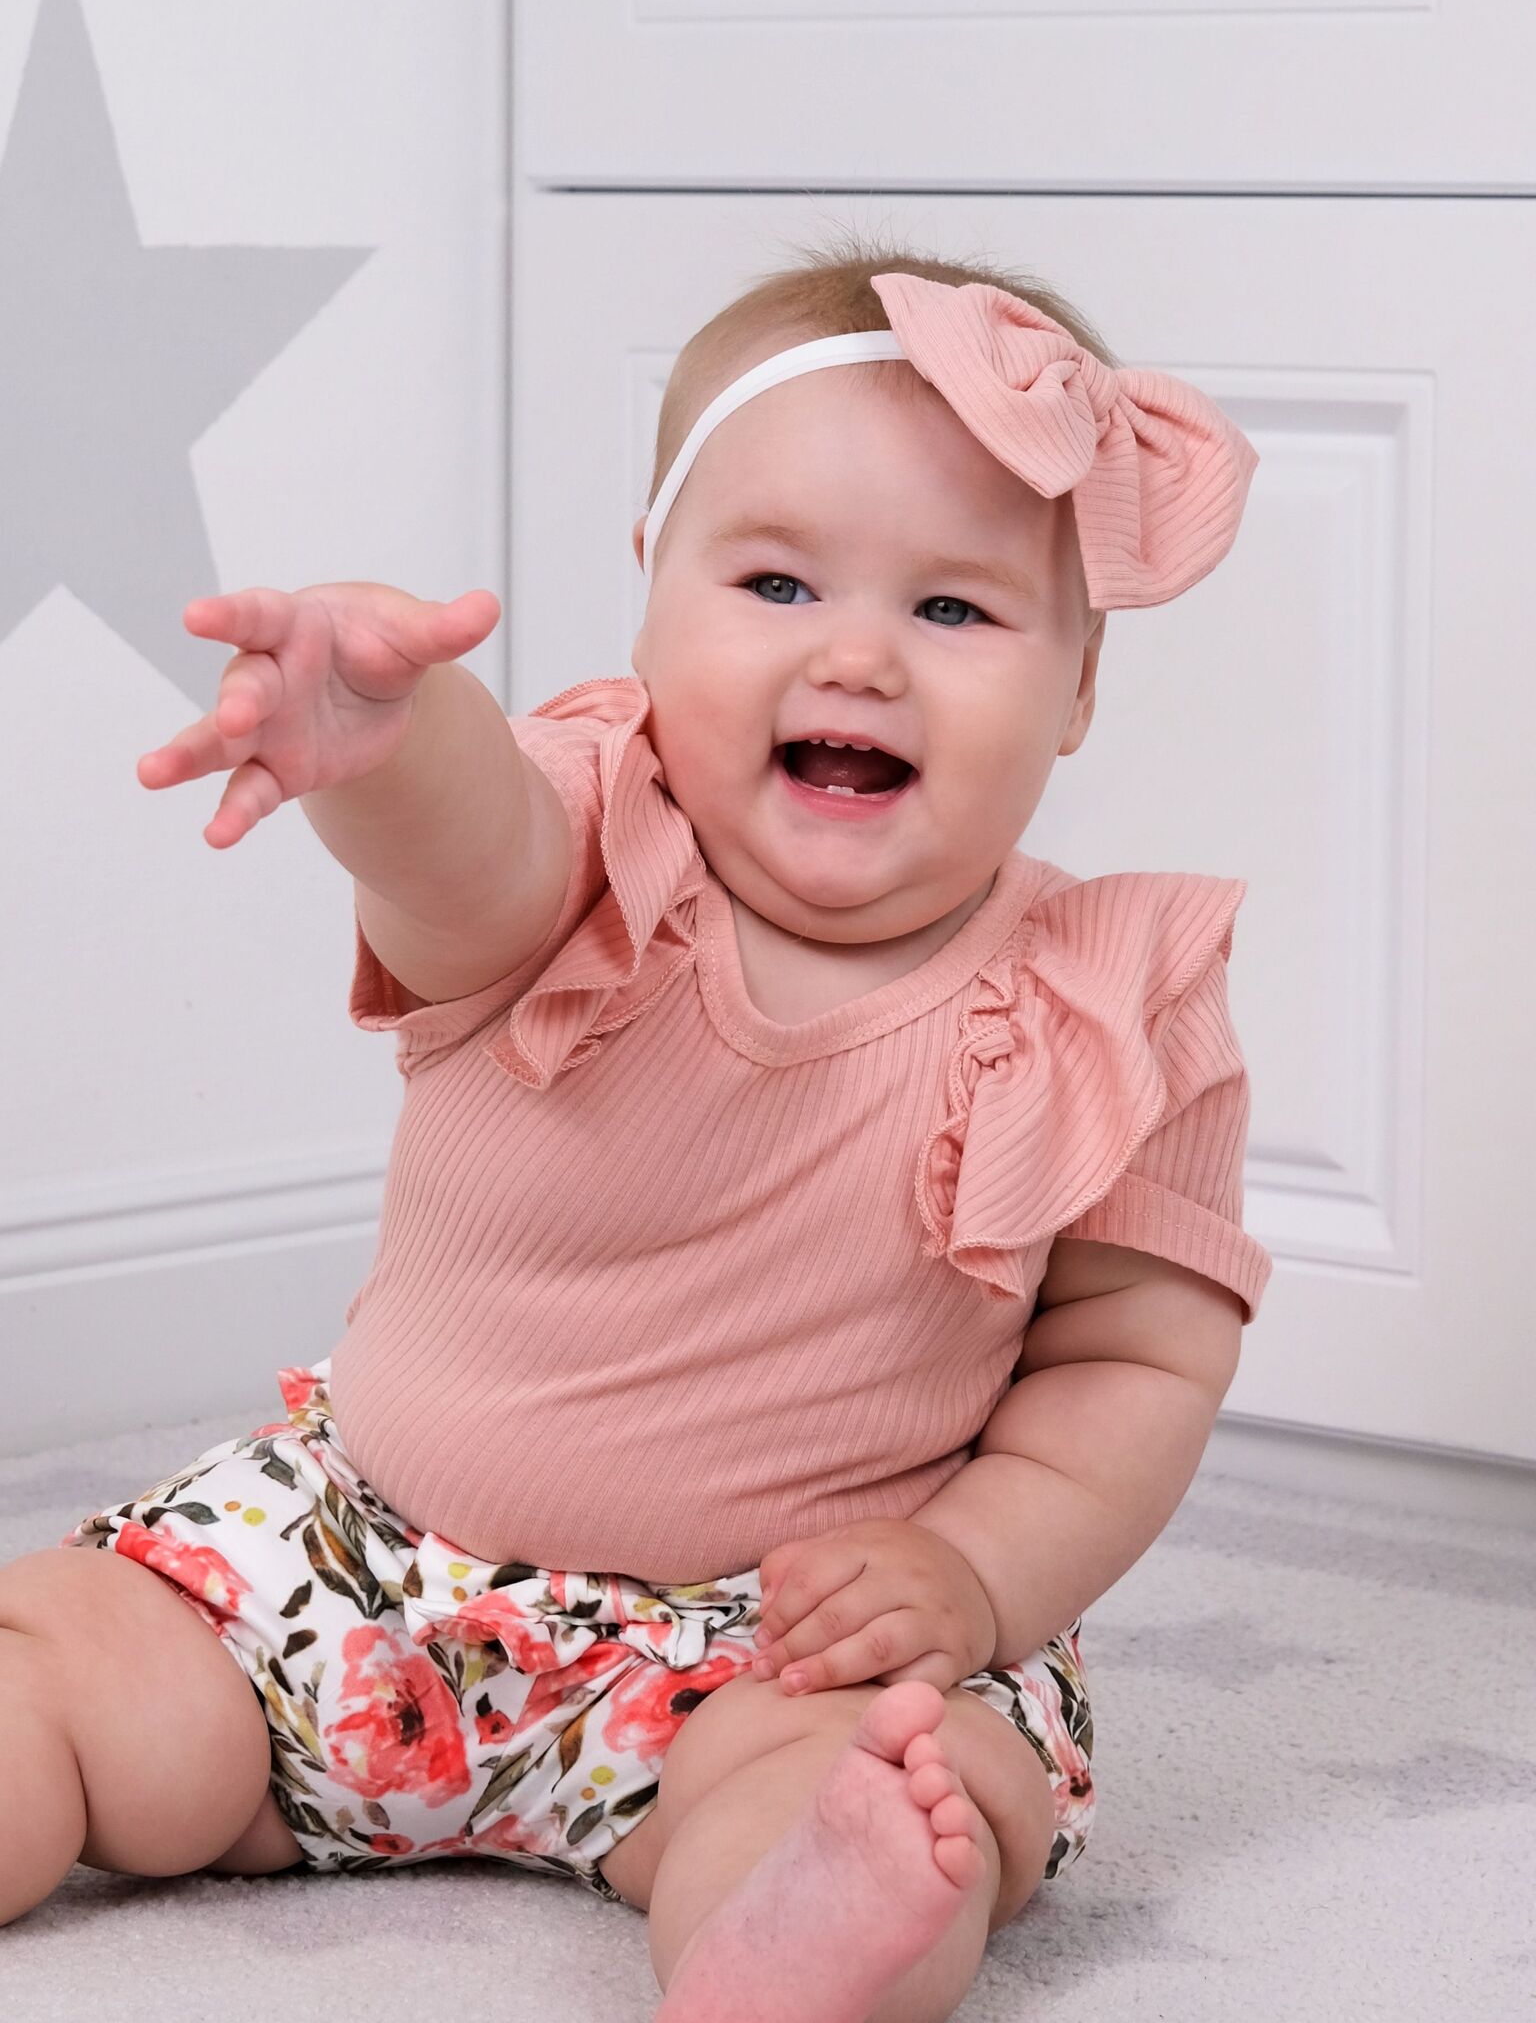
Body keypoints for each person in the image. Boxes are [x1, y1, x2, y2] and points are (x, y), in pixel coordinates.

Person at [4, 237, 1273, 2023]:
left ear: (1077, 687)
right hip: (356, 1571)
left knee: (910, 1786)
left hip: (778, 1646)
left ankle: (797, 1931)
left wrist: (971, 1578)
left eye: (954, 610)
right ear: (651, 601)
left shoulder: (1115, 1013)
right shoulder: (594, 846)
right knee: (75, 1662)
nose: (859, 654)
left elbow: (1132, 1365)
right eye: (775, 581)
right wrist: (393, 741)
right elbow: (467, 850)